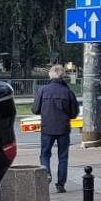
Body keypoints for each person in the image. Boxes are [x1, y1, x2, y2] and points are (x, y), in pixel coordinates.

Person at [31, 64, 80, 193]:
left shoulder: (43, 90)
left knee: (45, 154)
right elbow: (74, 113)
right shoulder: (68, 92)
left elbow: (35, 109)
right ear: (63, 76)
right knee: (63, 157)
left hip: (47, 128)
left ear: (50, 75)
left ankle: (46, 173)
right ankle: (61, 184)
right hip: (63, 128)